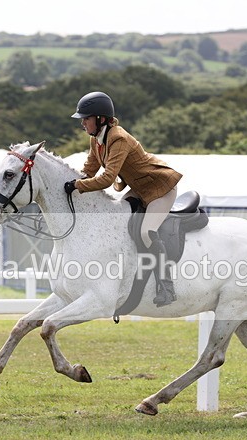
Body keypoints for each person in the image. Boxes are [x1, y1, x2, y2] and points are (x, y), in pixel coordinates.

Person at [66, 91, 182, 307]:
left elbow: (107, 178)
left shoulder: (118, 137)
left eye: (86, 118)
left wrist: (77, 186)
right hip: (139, 188)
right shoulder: (97, 140)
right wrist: (70, 184)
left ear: (100, 119)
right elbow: (89, 171)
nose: (82, 123)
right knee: (117, 220)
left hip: (160, 188)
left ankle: (166, 286)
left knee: (147, 232)